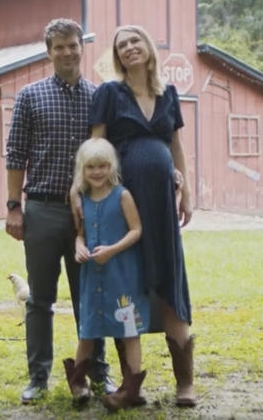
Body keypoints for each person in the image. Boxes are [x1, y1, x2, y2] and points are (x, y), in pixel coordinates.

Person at [4, 18, 114, 404]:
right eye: (59, 47)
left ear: (82, 47)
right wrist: (14, 207)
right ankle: (38, 377)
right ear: (48, 52)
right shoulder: (30, 96)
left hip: (90, 214)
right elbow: (16, 153)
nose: (67, 52)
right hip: (43, 211)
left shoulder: (99, 97)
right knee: (40, 300)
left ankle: (98, 373)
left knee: (92, 296)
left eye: (73, 44)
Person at [87, 24, 197, 407]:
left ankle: (185, 383)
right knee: (125, 283)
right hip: (125, 202)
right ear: (117, 57)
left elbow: (176, 146)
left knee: (168, 275)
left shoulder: (169, 94)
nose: (130, 48)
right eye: (122, 45)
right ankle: (131, 384)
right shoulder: (109, 93)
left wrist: (187, 191)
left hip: (164, 203)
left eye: (136, 41)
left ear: (148, 48)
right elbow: (96, 145)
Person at [65, 137, 148, 411]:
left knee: (129, 330)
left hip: (121, 275)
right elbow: (81, 234)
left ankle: (132, 388)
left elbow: (136, 230)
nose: (97, 172)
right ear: (82, 169)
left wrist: (112, 249)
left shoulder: (121, 195)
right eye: (91, 167)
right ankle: (77, 382)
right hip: (93, 277)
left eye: (102, 166)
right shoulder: (83, 200)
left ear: (111, 166)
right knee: (87, 330)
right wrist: (79, 247)